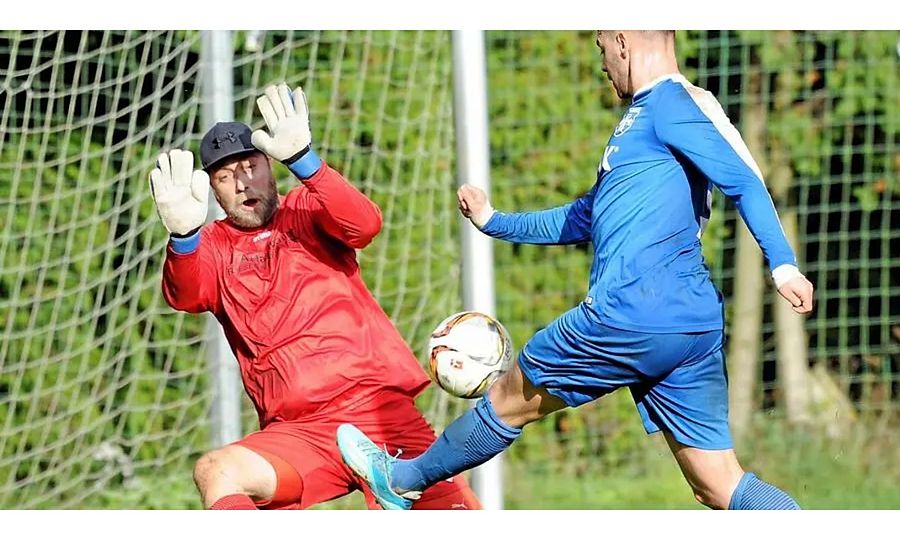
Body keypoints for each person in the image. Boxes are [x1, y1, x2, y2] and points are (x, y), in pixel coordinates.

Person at [337, 30, 814, 510]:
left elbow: (743, 181)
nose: (603, 63)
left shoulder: (669, 104)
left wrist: (784, 266)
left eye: (602, 46)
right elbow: (585, 216)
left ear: (623, 41)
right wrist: (493, 222)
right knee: (718, 484)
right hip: (691, 323)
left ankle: (402, 479)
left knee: (508, 395)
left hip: (629, 311)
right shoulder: (645, 118)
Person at [149, 82, 479, 510]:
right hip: (300, 433)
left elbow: (365, 225)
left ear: (270, 164)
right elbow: (185, 295)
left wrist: (305, 161)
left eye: (250, 166)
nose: (242, 183)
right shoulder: (209, 245)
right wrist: (182, 237)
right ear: (212, 191)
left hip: (379, 414)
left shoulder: (306, 206)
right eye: (225, 177)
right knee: (216, 470)